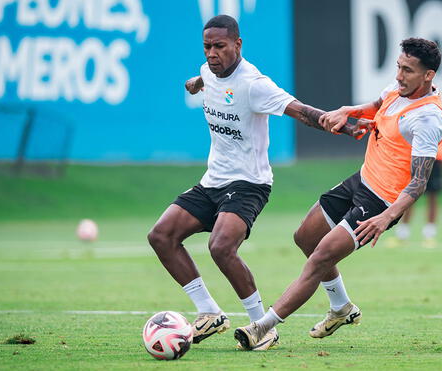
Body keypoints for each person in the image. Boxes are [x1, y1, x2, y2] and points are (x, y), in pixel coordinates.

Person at [147, 15, 367, 351]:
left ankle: (262, 325)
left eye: (219, 46)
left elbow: (302, 111)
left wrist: (345, 127)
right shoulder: (209, 71)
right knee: (161, 235)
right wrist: (194, 83)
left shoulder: (255, 84)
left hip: (249, 183)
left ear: (238, 44)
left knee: (220, 247)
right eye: (206, 47)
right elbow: (205, 79)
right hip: (213, 181)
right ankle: (209, 312)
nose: (211, 53)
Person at [234, 38, 442, 350]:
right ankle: (342, 308)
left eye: (408, 71)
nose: (399, 75)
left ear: (428, 76)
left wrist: (387, 217)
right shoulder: (399, 87)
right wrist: (348, 110)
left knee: (320, 257)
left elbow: (418, 183)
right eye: (399, 67)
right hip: (360, 181)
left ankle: (262, 327)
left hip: (381, 203)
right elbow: (380, 103)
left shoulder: (428, 119)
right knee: (305, 237)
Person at [392, 103, 442, 248]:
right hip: (414, 155)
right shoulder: (411, 103)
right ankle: (402, 234)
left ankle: (430, 234)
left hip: (436, 156)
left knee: (432, 195)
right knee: (409, 195)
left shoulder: (441, 104)